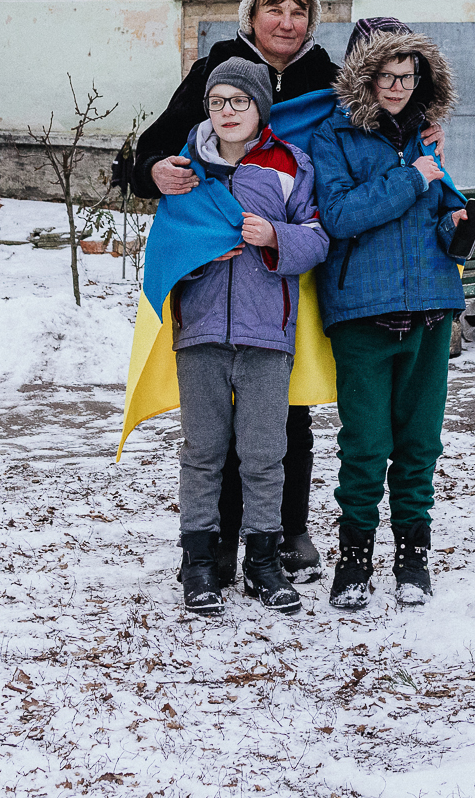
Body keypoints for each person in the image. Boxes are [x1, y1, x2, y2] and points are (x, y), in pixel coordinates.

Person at [129, 0, 342, 582]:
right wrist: (152, 172)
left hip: (292, 263)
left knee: (287, 408)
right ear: (251, 14)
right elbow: (152, 152)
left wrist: (423, 132)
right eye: (275, 8)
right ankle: (219, 537)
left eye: (299, 10)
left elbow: (378, 125)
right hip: (216, 274)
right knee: (217, 418)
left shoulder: (328, 80)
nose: (287, 21)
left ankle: (286, 530)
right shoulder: (214, 73)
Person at [311, 25, 475, 609]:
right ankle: (354, 558)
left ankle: (413, 555)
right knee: (365, 444)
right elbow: (339, 215)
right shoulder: (333, 136)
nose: (397, 87)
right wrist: (414, 175)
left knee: (419, 443)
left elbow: (436, 215)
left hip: (432, 305)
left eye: (407, 77)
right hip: (363, 310)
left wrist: (458, 227)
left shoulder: (425, 138)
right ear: (362, 76)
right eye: (385, 75)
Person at [163, 59, 330, 615]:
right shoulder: (187, 168)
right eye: (217, 102)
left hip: (266, 334)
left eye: (239, 101)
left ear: (260, 107)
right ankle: (199, 563)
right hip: (201, 332)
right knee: (203, 452)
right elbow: (166, 245)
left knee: (264, 453)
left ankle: (262, 561)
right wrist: (197, 257)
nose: (227, 112)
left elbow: (317, 237)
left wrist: (275, 236)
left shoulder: (289, 164)